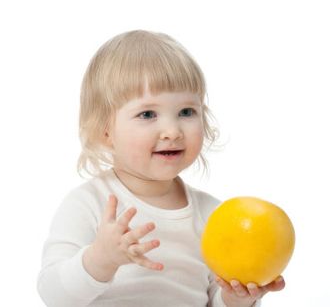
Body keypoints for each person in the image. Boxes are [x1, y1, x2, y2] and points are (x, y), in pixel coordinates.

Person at [37, 30, 285, 307]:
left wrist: (236, 297)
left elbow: (213, 300)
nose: (172, 130)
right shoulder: (89, 203)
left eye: (187, 112)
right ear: (105, 131)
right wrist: (100, 259)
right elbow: (53, 293)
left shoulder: (213, 215)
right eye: (147, 114)